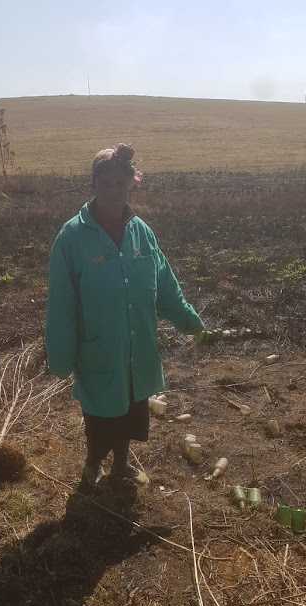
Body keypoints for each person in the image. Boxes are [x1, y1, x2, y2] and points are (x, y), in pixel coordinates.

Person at [45, 144, 204, 493]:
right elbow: (61, 304)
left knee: (132, 408)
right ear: (95, 184)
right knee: (100, 414)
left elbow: (164, 281)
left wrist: (186, 317)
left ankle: (121, 464)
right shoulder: (71, 238)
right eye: (109, 183)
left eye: (123, 183)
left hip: (137, 345)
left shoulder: (140, 231)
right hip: (99, 349)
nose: (117, 190)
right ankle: (92, 465)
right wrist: (60, 354)